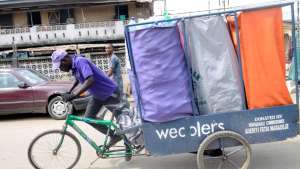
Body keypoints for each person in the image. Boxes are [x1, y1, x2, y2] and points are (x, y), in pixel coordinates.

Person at [51, 49, 122, 148]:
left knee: (122, 121)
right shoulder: (74, 66)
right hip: (98, 95)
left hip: (109, 93)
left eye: (60, 66)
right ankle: (114, 135)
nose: (61, 69)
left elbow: (90, 80)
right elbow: (77, 78)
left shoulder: (80, 61)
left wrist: (74, 95)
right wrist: (69, 91)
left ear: (65, 60)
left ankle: (128, 146)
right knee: (88, 118)